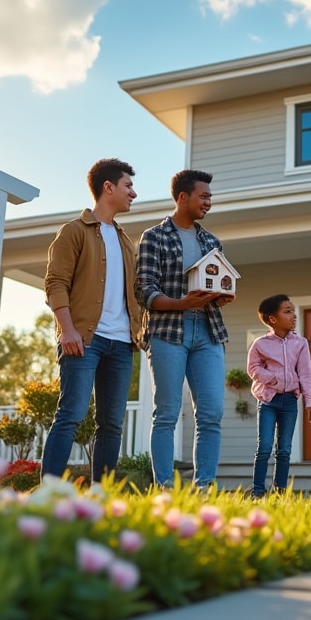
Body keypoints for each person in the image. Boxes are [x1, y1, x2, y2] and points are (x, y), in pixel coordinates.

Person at [41, 158, 142, 482]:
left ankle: (102, 493)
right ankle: (48, 491)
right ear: (108, 187)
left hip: (122, 343)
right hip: (84, 339)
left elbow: (135, 294)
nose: (134, 193)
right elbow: (55, 282)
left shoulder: (127, 242)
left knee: (112, 423)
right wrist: (67, 330)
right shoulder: (74, 231)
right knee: (70, 415)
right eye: (128, 186)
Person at [137, 169, 234, 489]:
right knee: (166, 412)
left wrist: (220, 297)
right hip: (168, 332)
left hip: (207, 332)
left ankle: (204, 487)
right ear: (182, 197)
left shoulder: (211, 240)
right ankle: (164, 487)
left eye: (210, 197)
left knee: (211, 413)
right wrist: (183, 303)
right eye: (203, 196)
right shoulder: (155, 237)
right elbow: (144, 291)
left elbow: (215, 280)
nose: (208, 202)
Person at [246, 294, 311, 497]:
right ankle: (258, 491)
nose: (294, 315)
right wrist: (274, 378)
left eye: (293, 311)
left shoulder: (300, 343)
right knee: (265, 447)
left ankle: (280, 492)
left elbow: (306, 373)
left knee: (284, 449)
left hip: (289, 402)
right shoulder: (260, 344)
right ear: (272, 319)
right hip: (268, 400)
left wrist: (310, 401)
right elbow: (253, 369)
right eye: (287, 311)